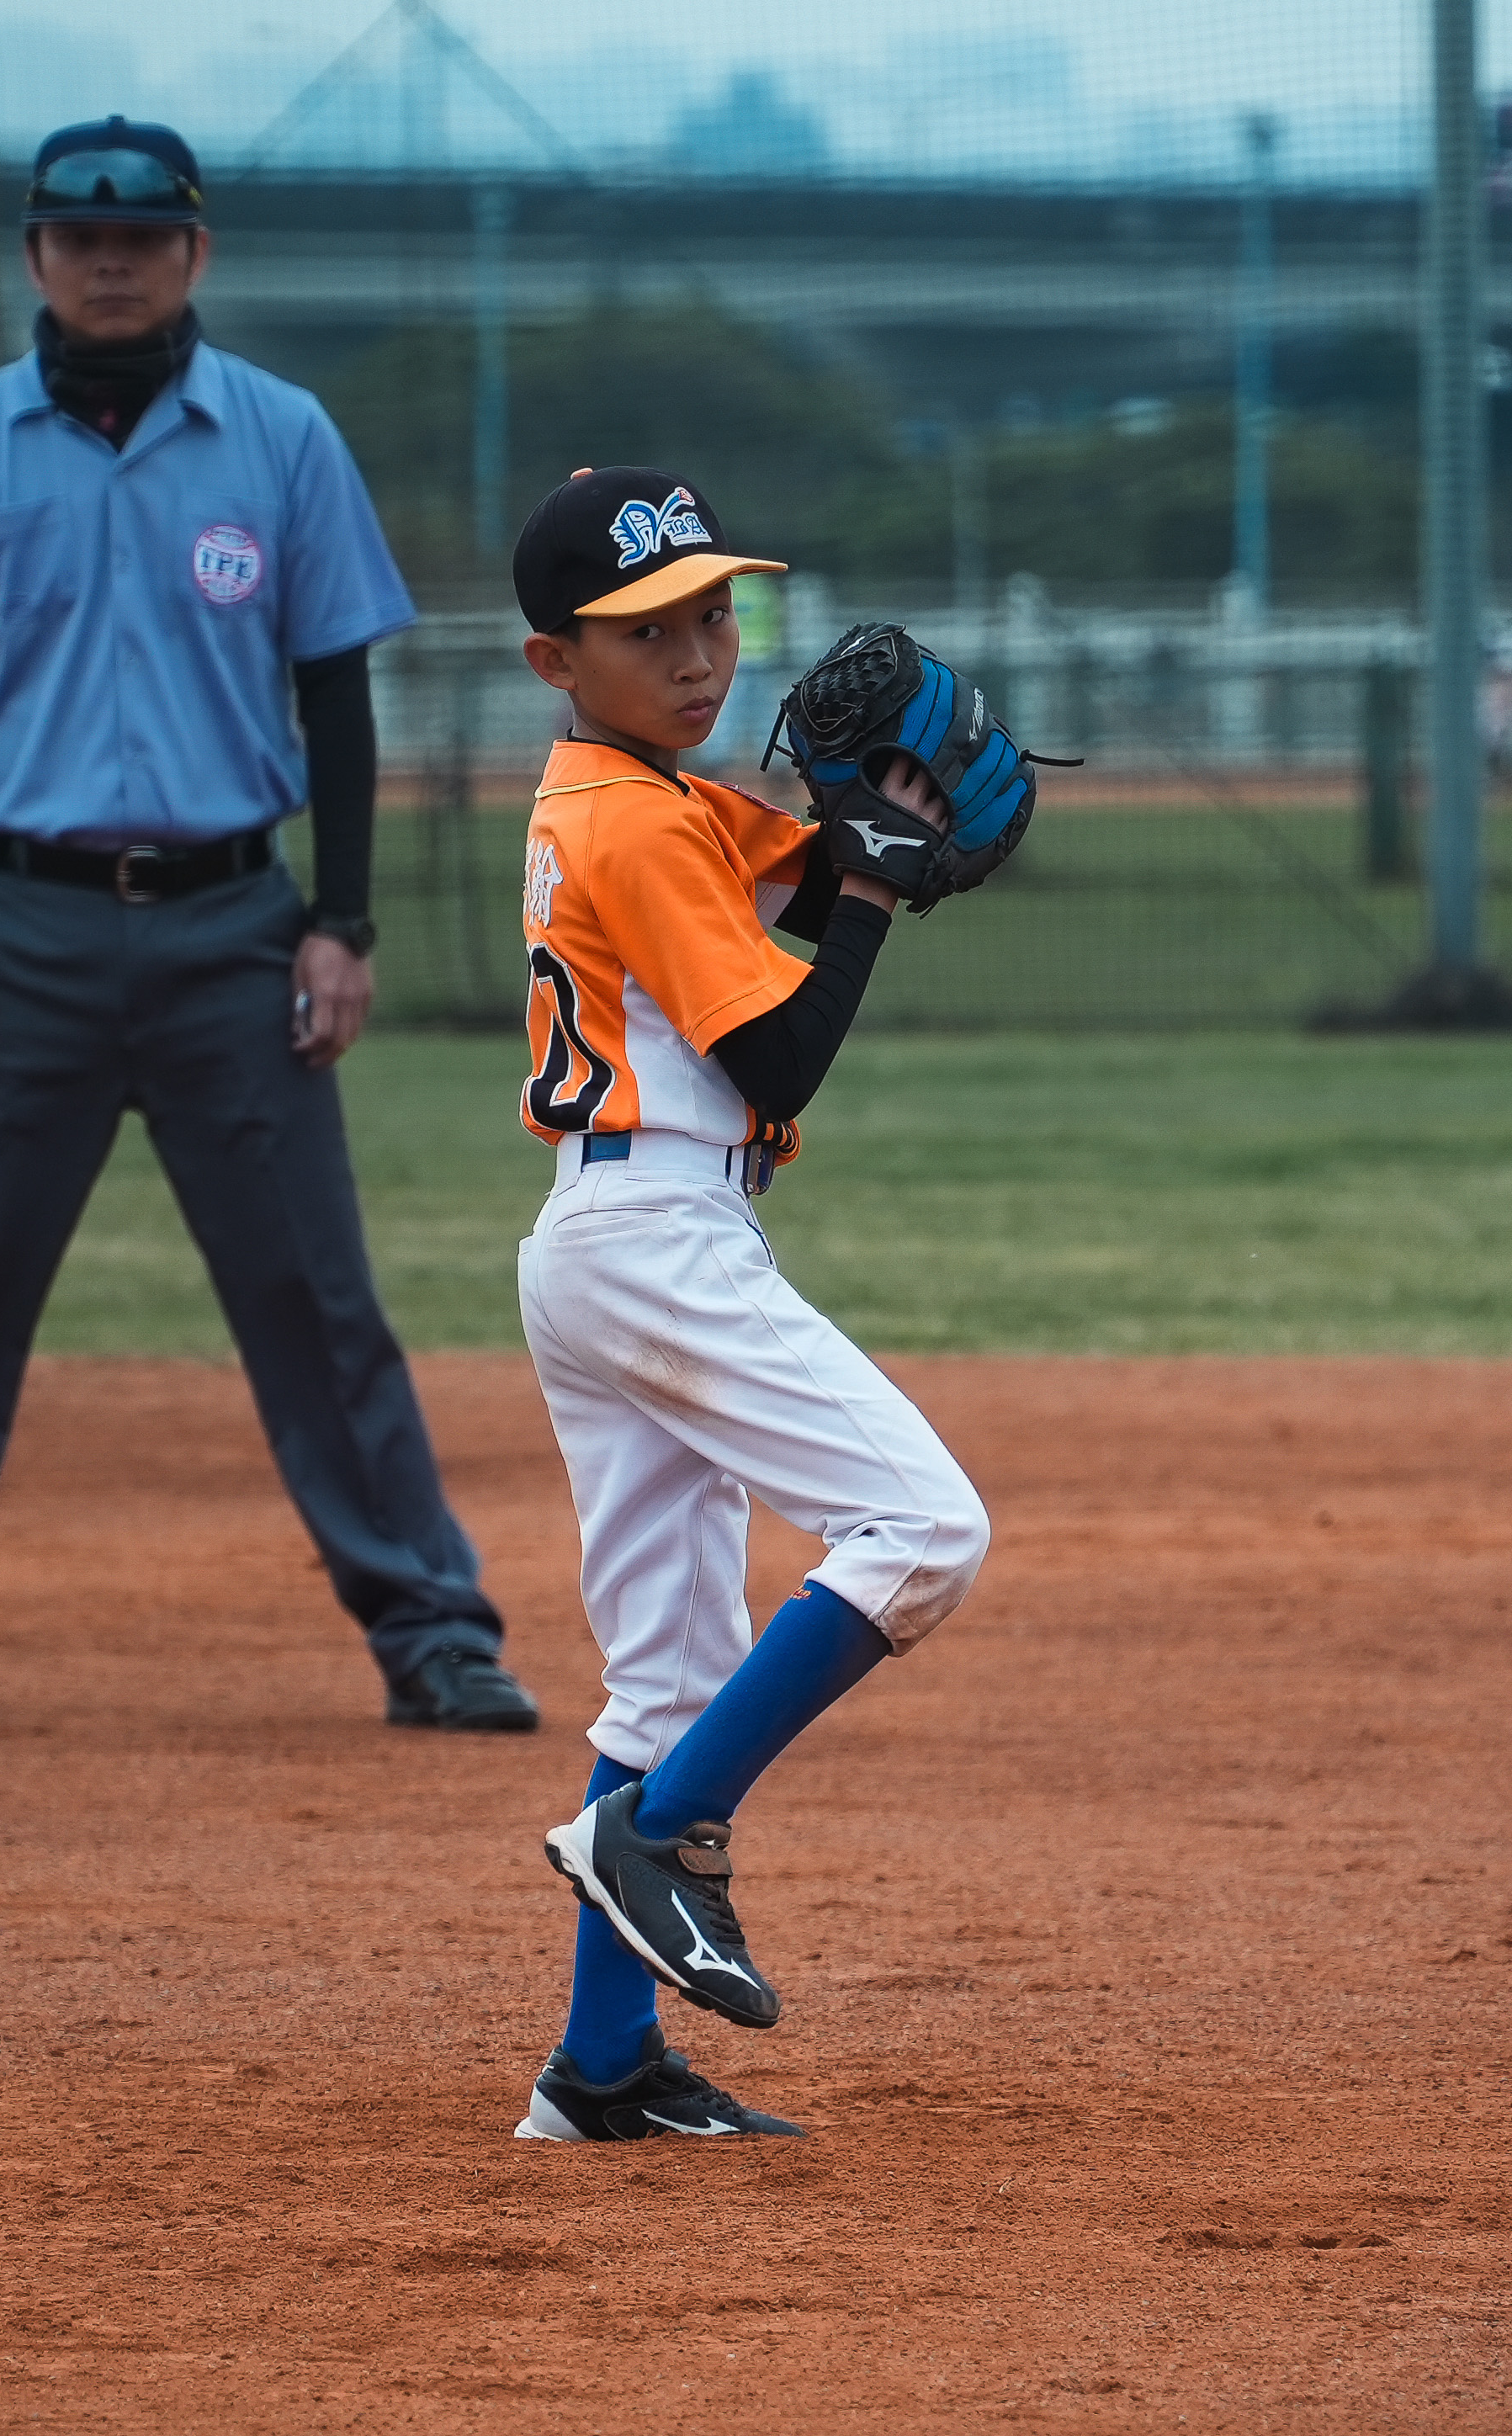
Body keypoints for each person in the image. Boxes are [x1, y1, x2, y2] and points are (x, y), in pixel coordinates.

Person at [0, 115, 538, 1738]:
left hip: (233, 929)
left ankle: (434, 1629)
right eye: (81, 239)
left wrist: (342, 922)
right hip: (15, 935)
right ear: (36, 255)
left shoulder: (282, 437)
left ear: (195, 254)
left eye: (145, 239)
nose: (113, 264)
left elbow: (335, 695)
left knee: (315, 1295)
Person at [496, 467, 993, 2141]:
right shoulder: (641, 818)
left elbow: (819, 862)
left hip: (606, 1241)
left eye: (713, 613)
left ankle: (604, 2068)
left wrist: (884, 834)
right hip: (657, 1239)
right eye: (648, 632)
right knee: (924, 1528)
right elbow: (779, 1053)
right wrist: (872, 894)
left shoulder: (642, 793)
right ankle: (664, 1833)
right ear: (556, 661)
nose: (699, 655)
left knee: (663, 1676)